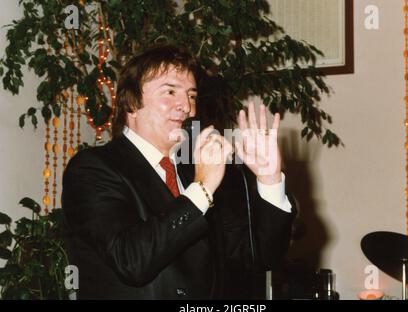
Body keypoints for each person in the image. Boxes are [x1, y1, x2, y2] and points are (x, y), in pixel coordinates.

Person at [62, 44, 298, 299]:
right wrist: (202, 190)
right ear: (131, 103)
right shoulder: (92, 168)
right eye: (170, 91)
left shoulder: (196, 172)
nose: (186, 107)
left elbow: (257, 257)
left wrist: (269, 179)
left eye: (192, 96)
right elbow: (130, 260)